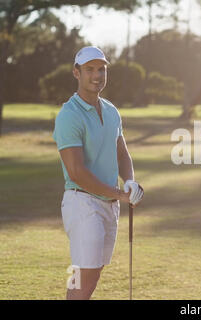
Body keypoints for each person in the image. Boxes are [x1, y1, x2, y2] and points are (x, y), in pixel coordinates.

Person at [52, 46, 144, 300]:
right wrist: (119, 193)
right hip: (82, 203)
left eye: (101, 69)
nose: (97, 75)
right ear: (76, 73)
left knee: (91, 276)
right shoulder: (69, 115)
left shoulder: (112, 111)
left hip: (108, 205)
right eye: (89, 69)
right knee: (84, 276)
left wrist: (130, 183)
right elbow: (76, 171)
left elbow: (122, 153)